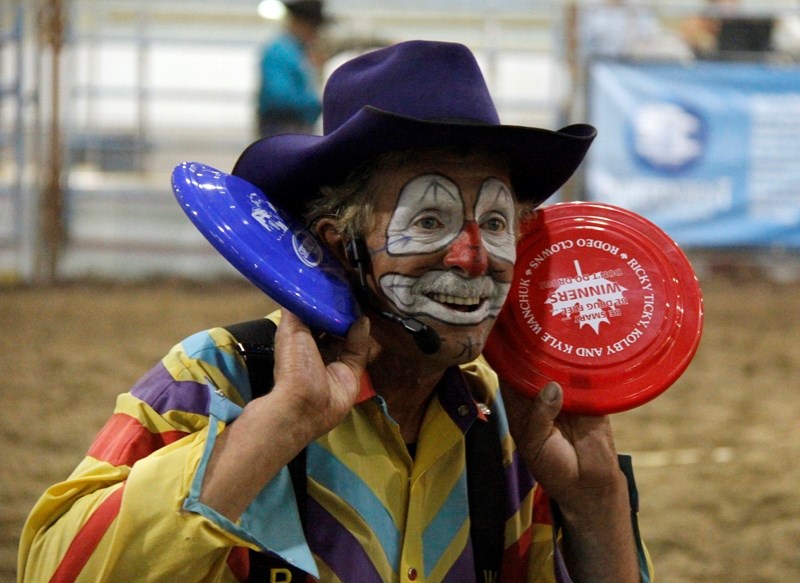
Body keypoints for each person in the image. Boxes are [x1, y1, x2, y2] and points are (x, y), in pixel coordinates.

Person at [18, 40, 653, 582]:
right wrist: (275, 427)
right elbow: (54, 566)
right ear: (335, 243)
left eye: (493, 221)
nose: (472, 258)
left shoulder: (512, 428)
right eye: (428, 220)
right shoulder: (213, 378)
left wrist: (595, 501)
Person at [256, 0, 329, 137]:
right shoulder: (280, 51)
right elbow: (279, 96)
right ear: (301, 23)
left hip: (290, 126)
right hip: (283, 126)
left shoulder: (295, 51)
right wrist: (318, 102)